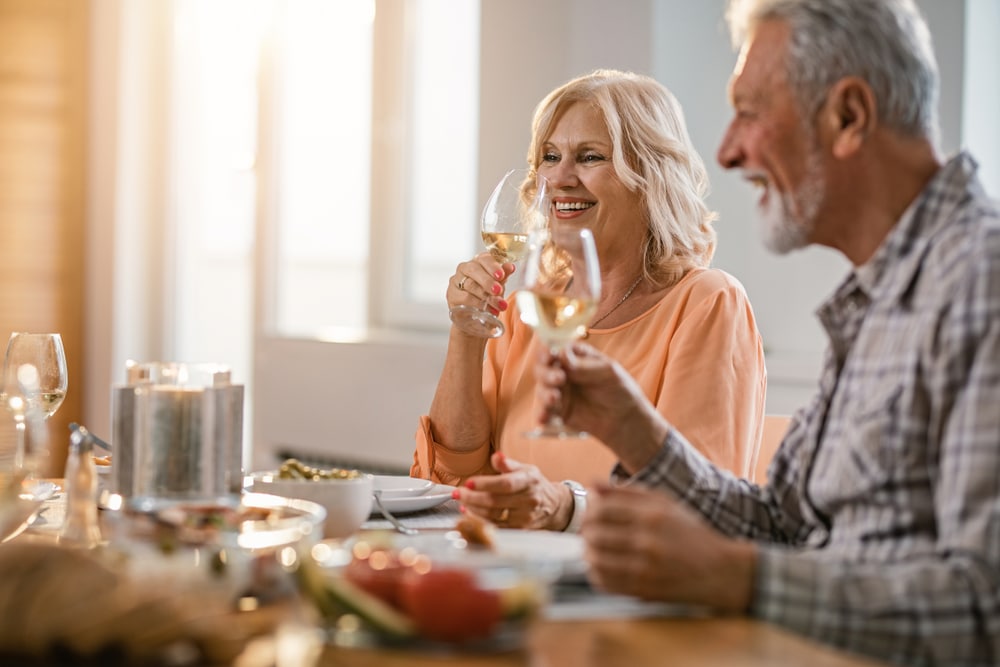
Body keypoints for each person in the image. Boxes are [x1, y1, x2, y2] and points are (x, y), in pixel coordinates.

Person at [533, 0, 1000, 664]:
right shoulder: (881, 293)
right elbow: (785, 522)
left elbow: (985, 608)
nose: (726, 151)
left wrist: (738, 577)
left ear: (848, 116)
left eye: (749, 112)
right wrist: (638, 433)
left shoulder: (982, 285)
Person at [411, 69, 767, 532]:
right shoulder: (525, 312)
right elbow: (453, 483)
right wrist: (467, 333)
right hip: (519, 576)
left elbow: (698, 508)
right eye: (550, 156)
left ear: (650, 176)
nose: (559, 178)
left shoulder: (706, 303)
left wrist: (566, 508)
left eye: (590, 157)